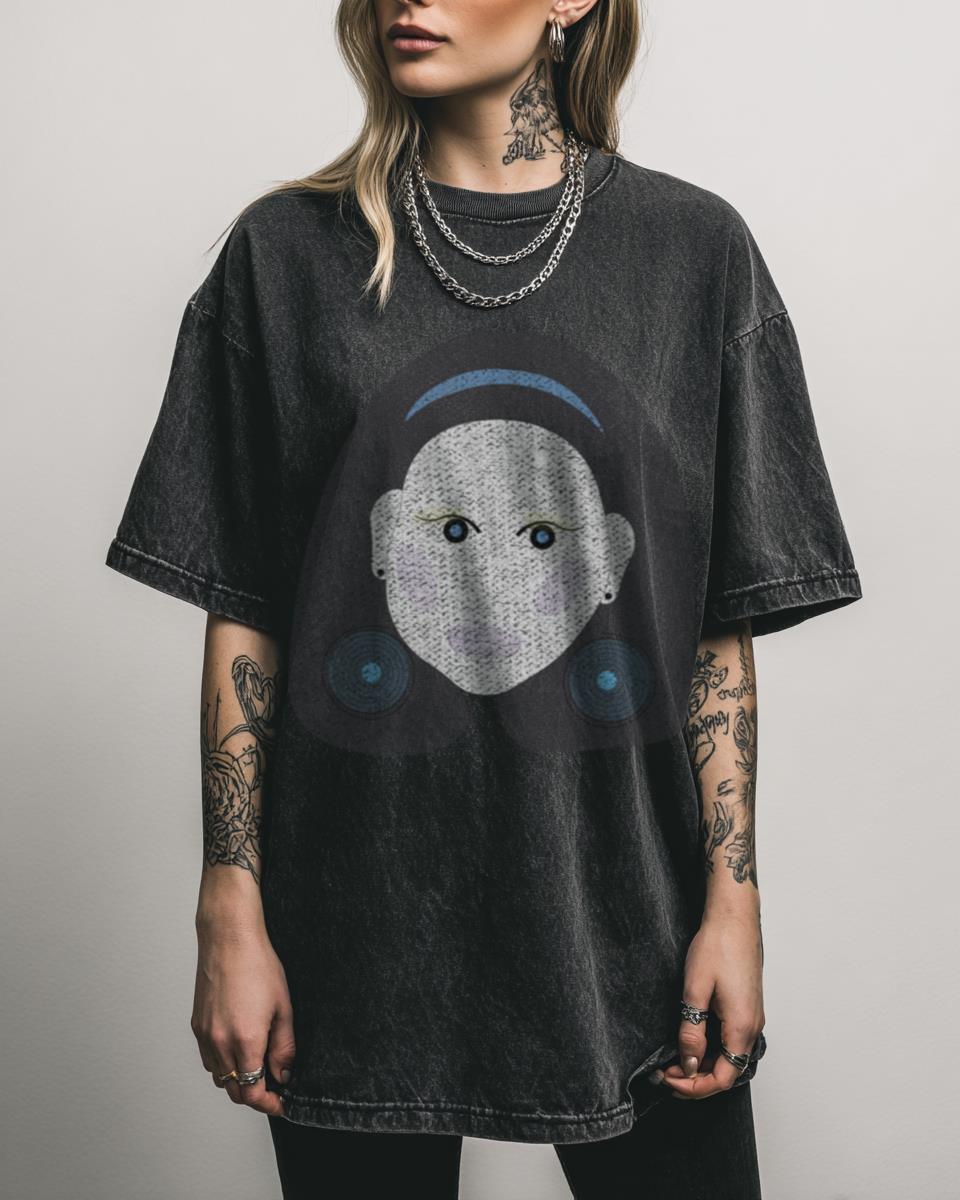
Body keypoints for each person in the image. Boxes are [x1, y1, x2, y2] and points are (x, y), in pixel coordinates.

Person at [104, 1, 863, 1196]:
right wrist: (229, 906)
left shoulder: (694, 254)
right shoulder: (284, 256)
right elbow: (245, 607)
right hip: (352, 930)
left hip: (631, 921)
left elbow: (713, 628)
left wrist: (734, 901)